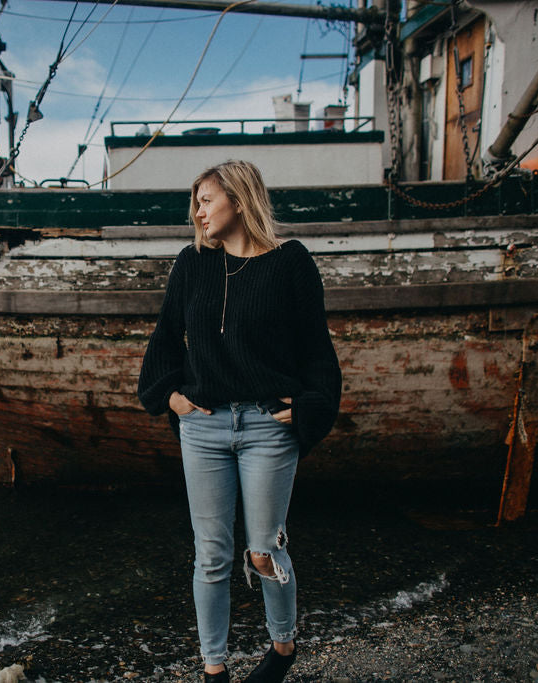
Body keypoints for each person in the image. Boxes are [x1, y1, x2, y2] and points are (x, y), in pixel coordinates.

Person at [137, 160, 341, 683]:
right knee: (211, 556)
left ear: (239, 197)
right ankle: (214, 669)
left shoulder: (290, 262)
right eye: (197, 203)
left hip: (268, 427)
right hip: (202, 428)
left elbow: (316, 348)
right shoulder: (192, 263)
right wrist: (169, 397)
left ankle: (282, 646)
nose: (198, 212)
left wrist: (312, 403)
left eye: (206, 200)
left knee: (263, 548)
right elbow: (164, 340)